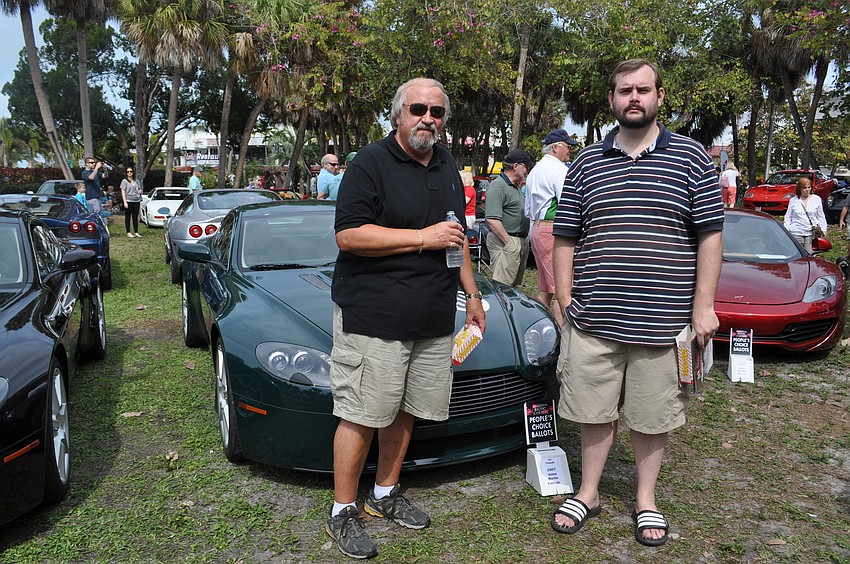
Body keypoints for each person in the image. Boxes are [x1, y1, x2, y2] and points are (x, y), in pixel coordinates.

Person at [551, 59, 724, 547]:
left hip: (664, 320)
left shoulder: (691, 159)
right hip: (593, 319)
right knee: (592, 411)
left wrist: (703, 306)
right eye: (624, 90)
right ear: (611, 100)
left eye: (642, 90)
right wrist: (564, 299)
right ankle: (588, 492)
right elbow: (565, 237)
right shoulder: (585, 163)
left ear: (659, 97)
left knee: (652, 417)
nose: (633, 97)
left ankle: (646, 500)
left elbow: (710, 236)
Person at [327, 77, 486, 560]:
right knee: (361, 414)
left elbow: (454, 238)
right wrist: (421, 237)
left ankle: (386, 491)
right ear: (398, 114)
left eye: (437, 112)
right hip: (375, 315)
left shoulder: (446, 164)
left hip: (433, 315)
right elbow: (348, 236)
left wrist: (473, 295)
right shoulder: (369, 164)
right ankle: (342, 510)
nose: (428, 119)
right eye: (418, 109)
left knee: (407, 408)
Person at [524, 129, 578, 325]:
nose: (570, 150)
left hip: (537, 229)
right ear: (555, 147)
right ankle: (563, 338)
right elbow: (568, 203)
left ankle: (539, 328)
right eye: (567, 146)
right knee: (563, 290)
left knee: (545, 289)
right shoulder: (559, 169)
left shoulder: (535, 170)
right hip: (553, 230)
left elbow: (527, 208)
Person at [484, 149, 534, 286]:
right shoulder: (498, 186)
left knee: (513, 290)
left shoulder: (513, 187)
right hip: (506, 242)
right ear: (515, 166)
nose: (528, 170)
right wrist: (508, 242)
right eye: (526, 166)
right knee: (502, 287)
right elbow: (492, 219)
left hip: (517, 241)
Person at [784, 177, 827, 253]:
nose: (807, 190)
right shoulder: (793, 200)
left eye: (809, 187)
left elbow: (821, 215)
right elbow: (788, 216)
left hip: (810, 232)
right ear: (799, 189)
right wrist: (786, 230)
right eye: (804, 188)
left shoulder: (816, 199)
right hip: (796, 231)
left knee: (809, 253)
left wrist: (824, 229)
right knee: (797, 254)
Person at [121, 166, 143, 238]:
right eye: (128, 172)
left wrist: (140, 191)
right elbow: (123, 191)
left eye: (131, 171)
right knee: (128, 217)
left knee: (135, 216)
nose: (129, 173)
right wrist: (125, 202)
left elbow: (139, 189)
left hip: (136, 200)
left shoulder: (136, 181)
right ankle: (128, 232)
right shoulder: (124, 181)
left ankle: (136, 231)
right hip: (128, 200)